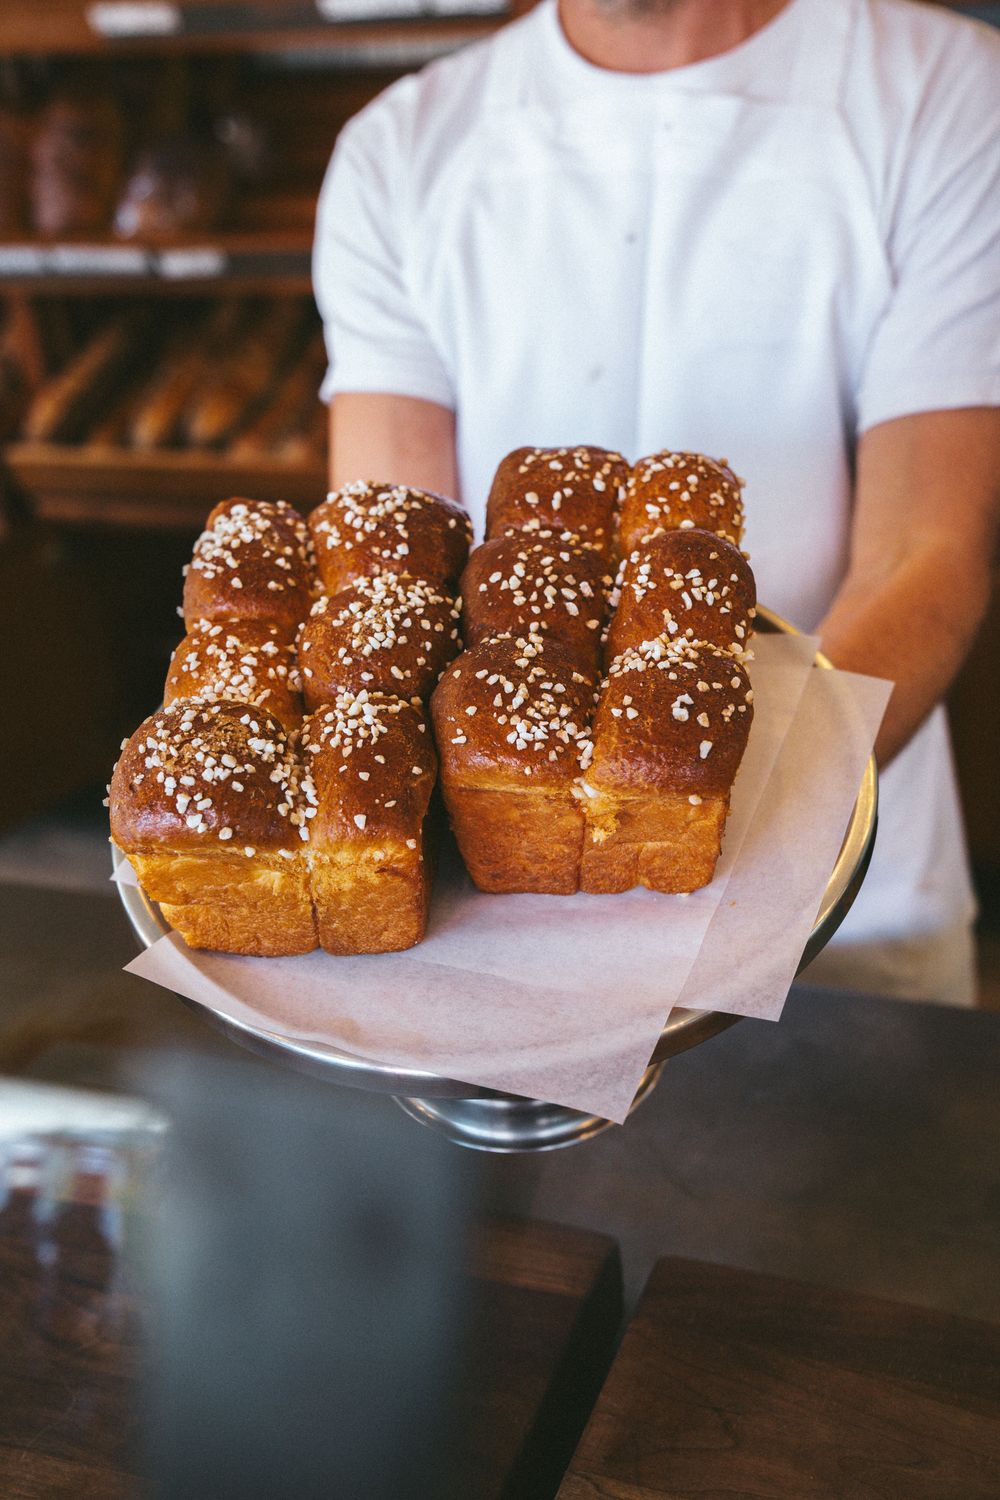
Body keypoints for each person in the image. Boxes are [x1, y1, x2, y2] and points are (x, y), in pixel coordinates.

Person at [312, 0, 1000, 1004]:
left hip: (834, 902)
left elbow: (925, 550)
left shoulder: (943, 89)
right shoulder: (399, 150)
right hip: (493, 933)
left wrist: (714, 806)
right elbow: (392, 589)